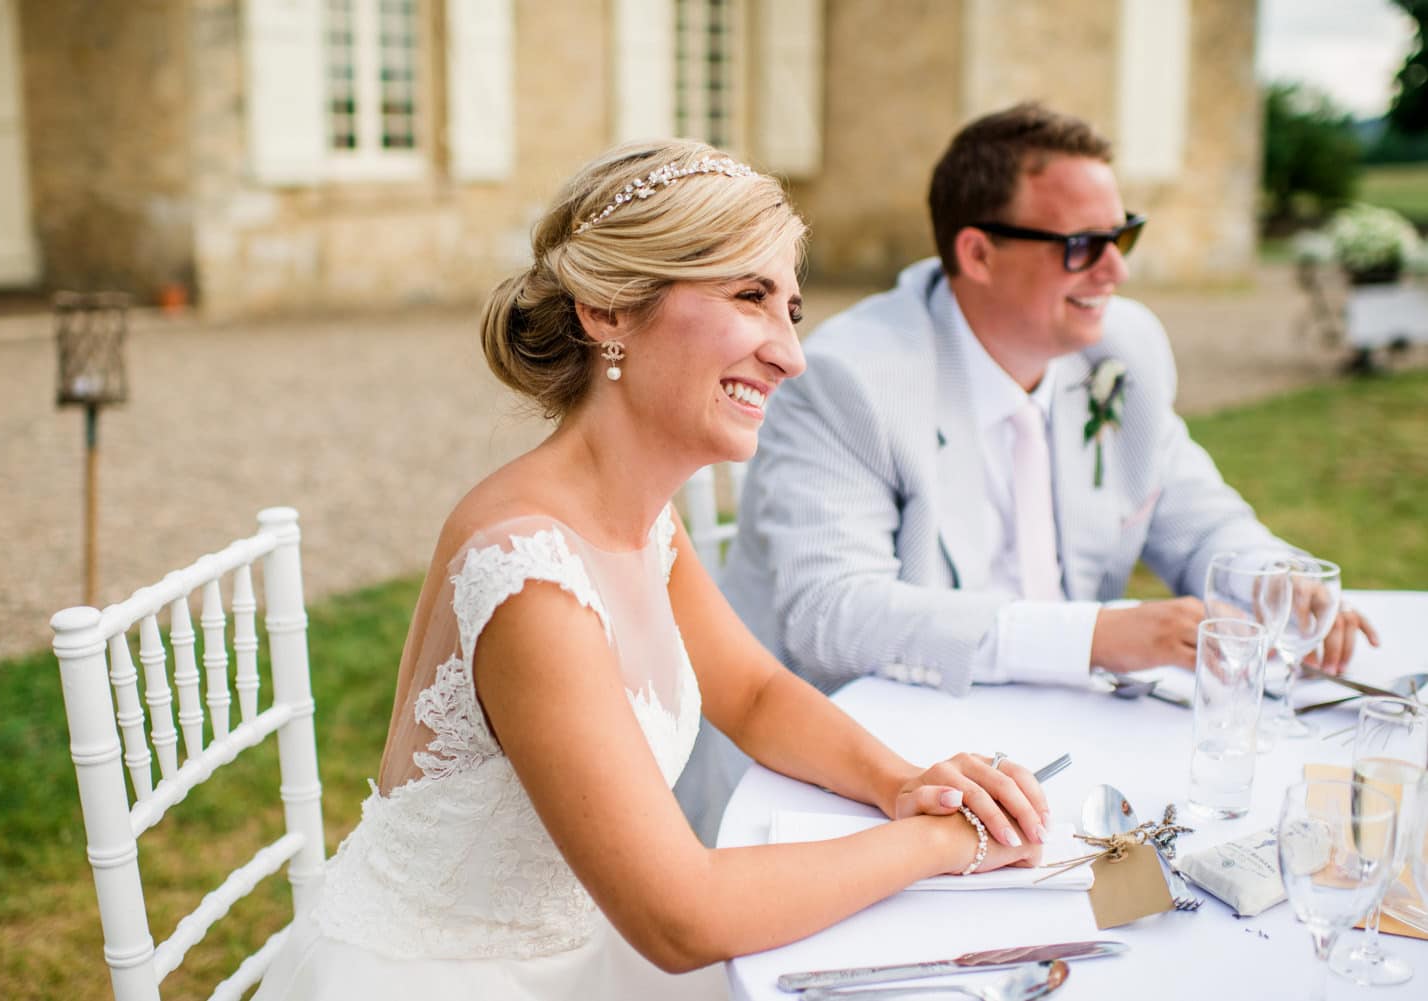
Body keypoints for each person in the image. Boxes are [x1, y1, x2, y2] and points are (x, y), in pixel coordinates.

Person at [253, 139, 1050, 1001]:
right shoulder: (528, 575)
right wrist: (943, 841)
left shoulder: (641, 516)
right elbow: (681, 920)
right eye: (749, 296)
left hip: (586, 952)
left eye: (791, 309)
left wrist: (904, 782)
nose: (790, 354)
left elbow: (751, 693)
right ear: (608, 311)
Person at [682, 102, 1377, 843]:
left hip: (1057, 749)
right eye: (1083, 245)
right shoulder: (853, 377)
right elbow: (833, 615)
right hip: (848, 771)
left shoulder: (1123, 350)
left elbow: (1194, 511)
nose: (1118, 267)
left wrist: (1278, 581)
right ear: (977, 254)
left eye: (1123, 234)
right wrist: (1099, 635)